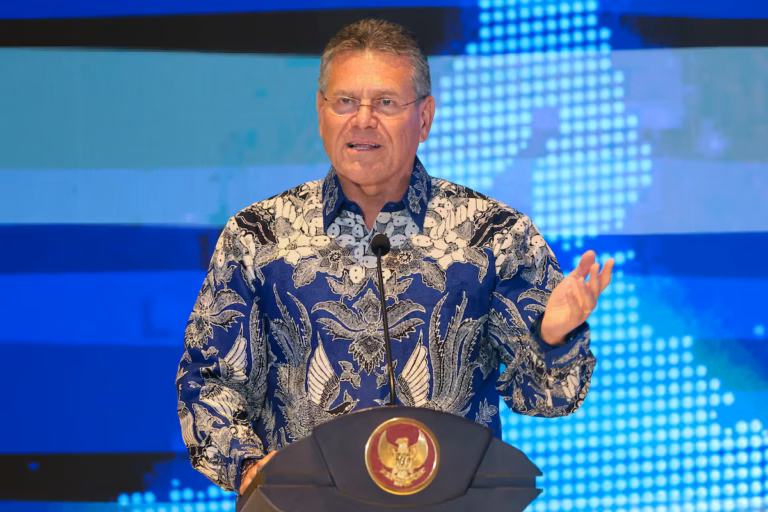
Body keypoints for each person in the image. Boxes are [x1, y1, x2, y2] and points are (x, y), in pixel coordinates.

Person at [176, 18, 613, 495]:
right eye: (345, 101)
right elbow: (208, 381)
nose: (363, 120)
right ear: (321, 112)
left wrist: (554, 335)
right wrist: (249, 467)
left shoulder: (495, 236)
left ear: (424, 118)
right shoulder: (258, 237)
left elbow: (546, 399)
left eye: (385, 103)